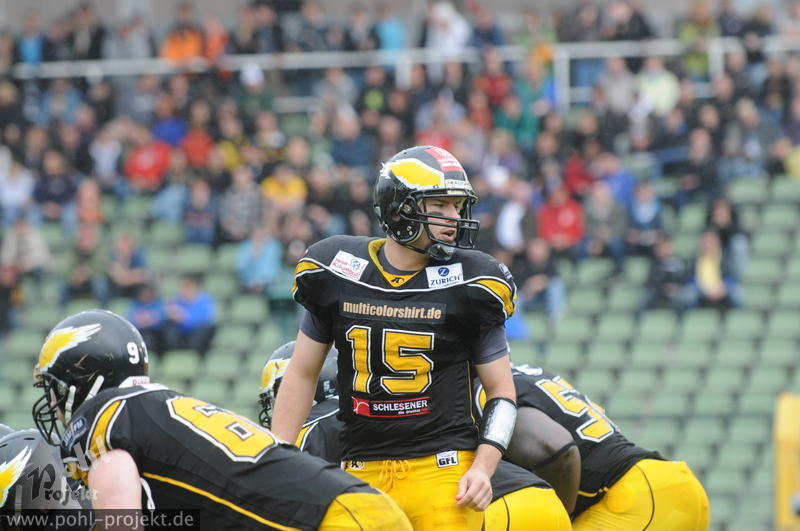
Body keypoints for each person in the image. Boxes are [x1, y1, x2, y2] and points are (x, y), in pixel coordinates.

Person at [271, 145, 518, 529]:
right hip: (359, 471)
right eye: (441, 205)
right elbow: (302, 373)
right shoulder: (336, 270)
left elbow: (502, 393)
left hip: (443, 472)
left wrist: (484, 468)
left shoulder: (472, 282)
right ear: (399, 209)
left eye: (457, 206)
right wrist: (278, 459)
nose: (454, 218)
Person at [31, 309, 412, 530]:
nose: (53, 403)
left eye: (55, 388)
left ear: (86, 376)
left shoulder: (108, 416)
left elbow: (119, 508)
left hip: (331, 519)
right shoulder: (159, 410)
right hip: (355, 510)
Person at [260, 342, 570, 530]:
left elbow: (281, 498)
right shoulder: (388, 403)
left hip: (485, 511)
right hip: (536, 501)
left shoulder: (312, 426)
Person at [473, 364, 710, 529]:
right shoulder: (526, 373)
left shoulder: (487, 390)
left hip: (634, 498)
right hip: (663, 488)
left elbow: (556, 449)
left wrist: (562, 518)